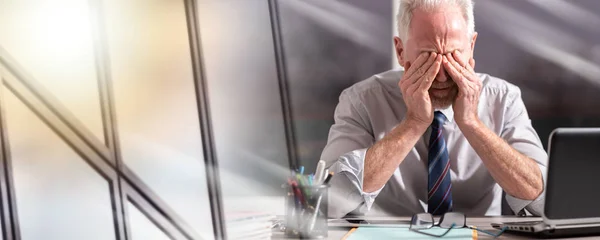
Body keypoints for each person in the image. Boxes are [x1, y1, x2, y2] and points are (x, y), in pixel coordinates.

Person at [321, 0, 547, 218]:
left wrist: (471, 123)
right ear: (400, 51)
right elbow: (330, 202)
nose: (440, 75)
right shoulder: (361, 101)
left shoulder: (503, 99)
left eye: (453, 56)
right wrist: (413, 123)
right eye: (427, 57)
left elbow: (542, 199)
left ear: (471, 47)